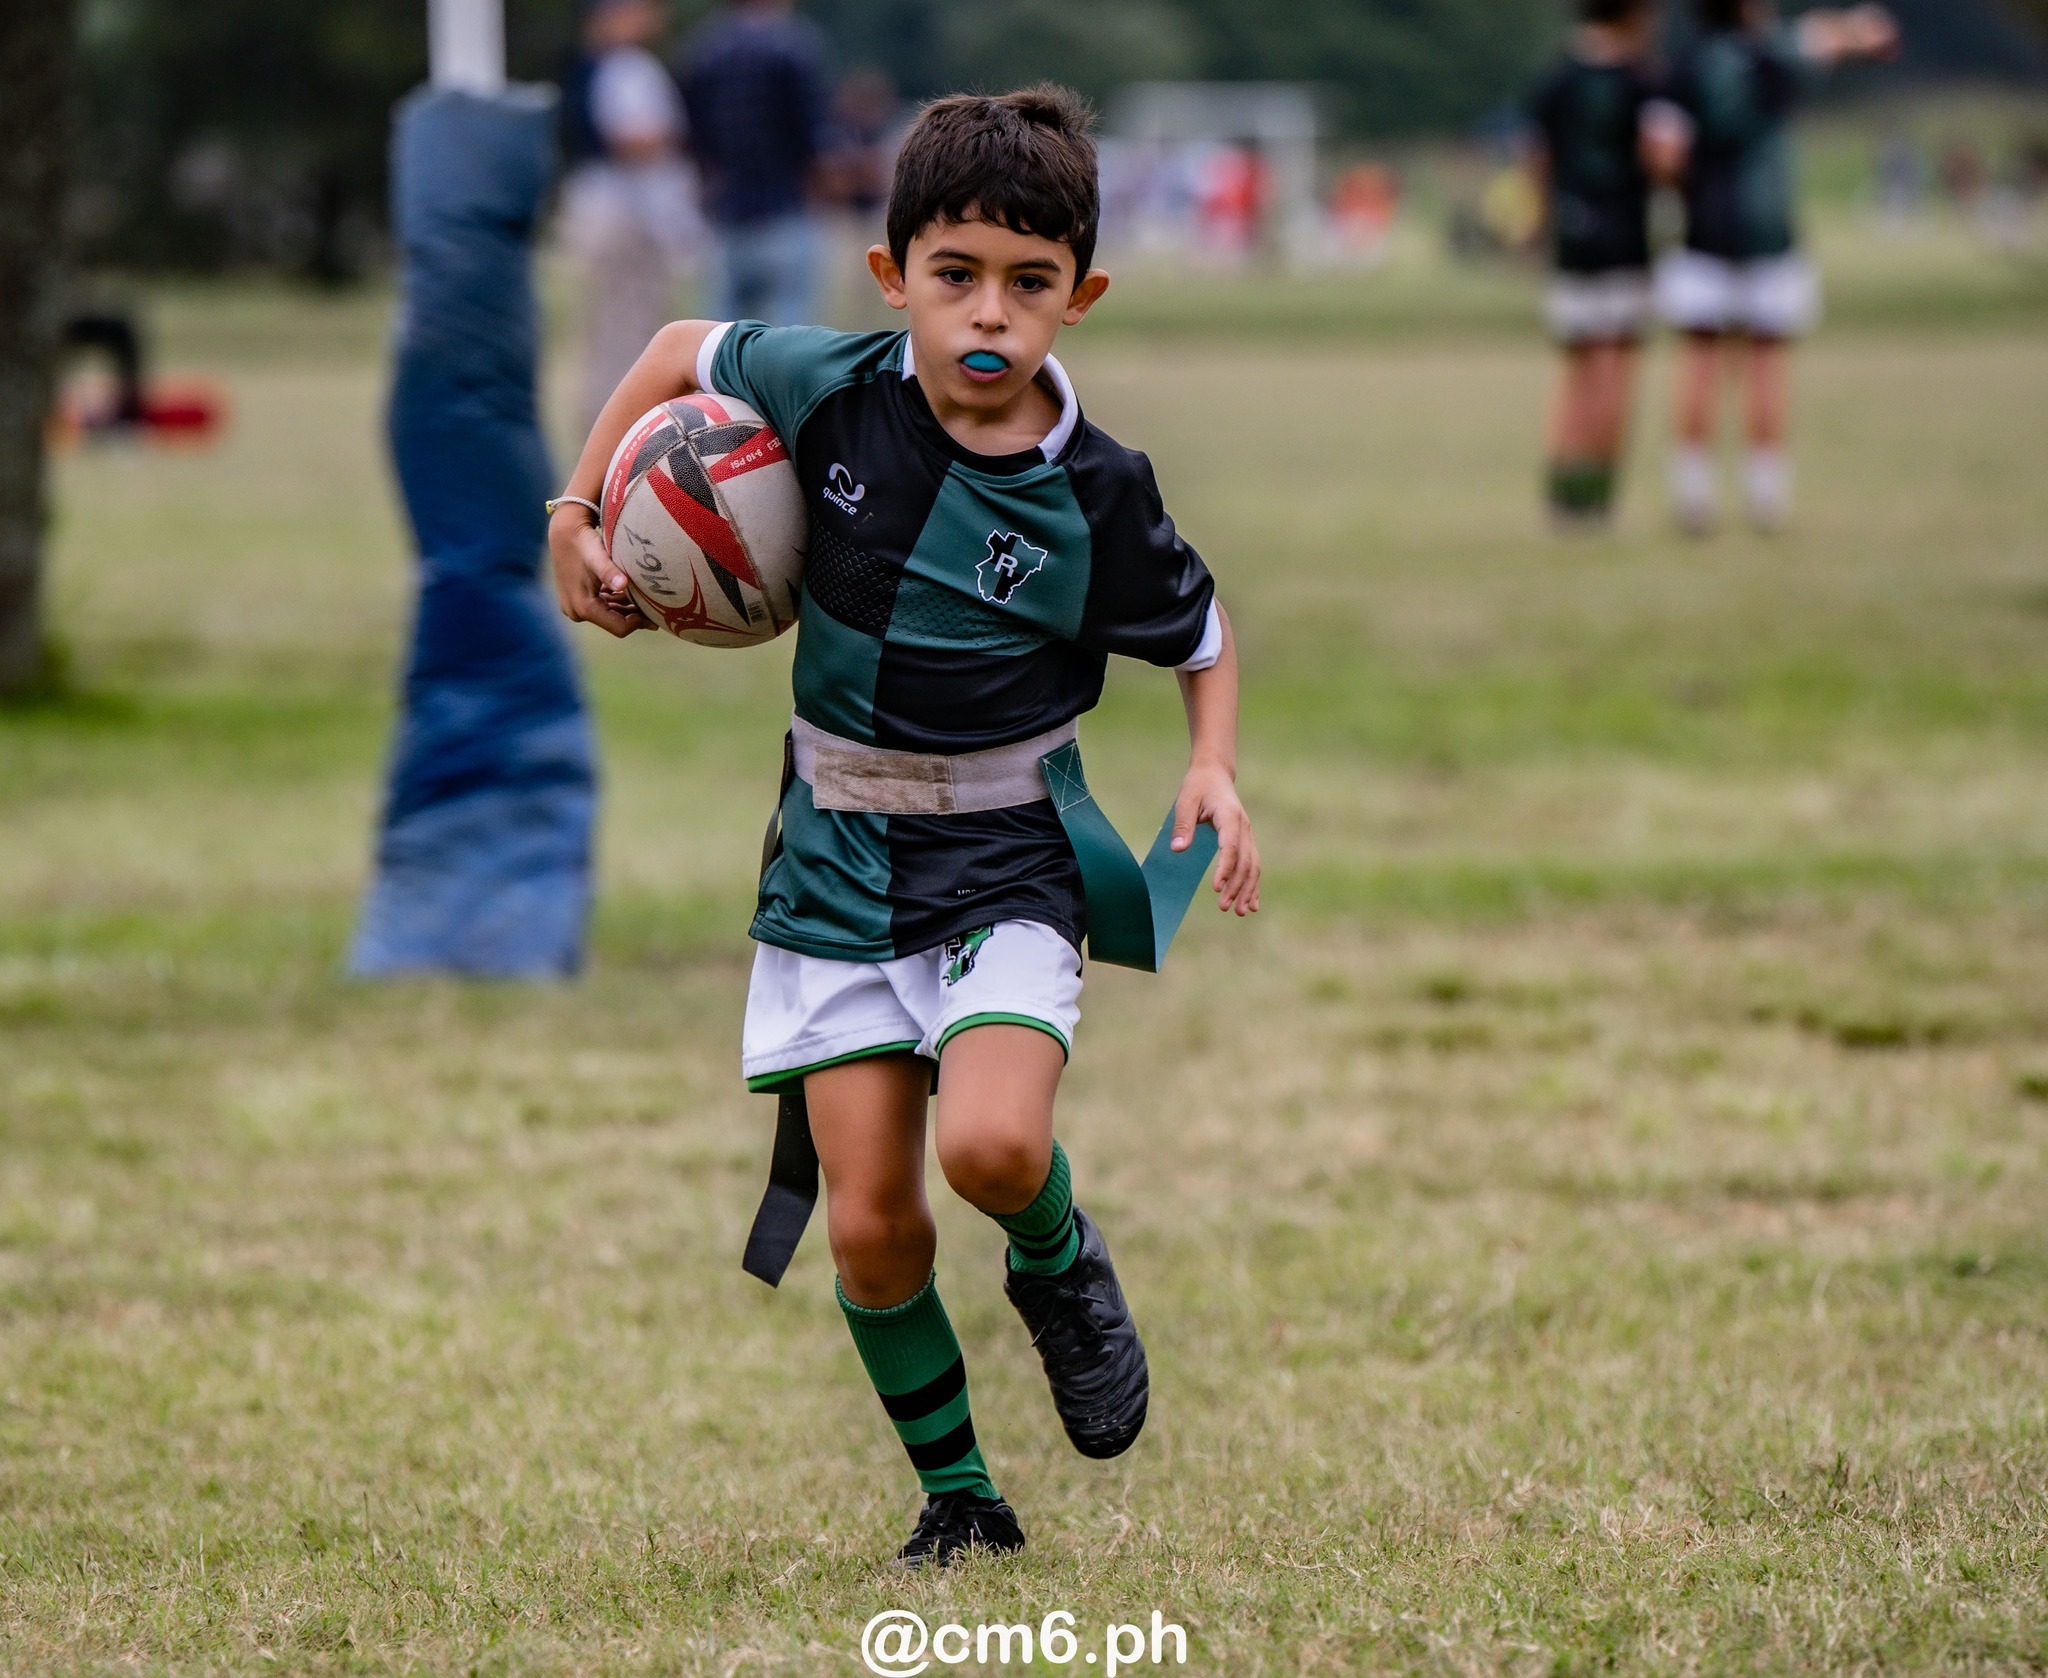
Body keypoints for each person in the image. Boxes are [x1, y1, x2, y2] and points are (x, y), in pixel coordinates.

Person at [547, 86, 1260, 1568]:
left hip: (1008, 856)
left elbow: (1199, 631)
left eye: (1028, 283)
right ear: (893, 277)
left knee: (994, 1148)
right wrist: (575, 509)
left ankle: (1059, 1262)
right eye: (955, 276)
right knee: (870, 1226)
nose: (986, 313)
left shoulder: (1095, 492)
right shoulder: (833, 387)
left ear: (1083, 294)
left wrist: (1213, 768)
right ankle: (961, 1498)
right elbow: (679, 349)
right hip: (832, 859)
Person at [1658, 0, 1899, 534]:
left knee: (1699, 363)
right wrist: (1866, 32)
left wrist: (1689, 189)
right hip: (1771, 232)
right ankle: (1765, 496)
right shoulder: (1777, 54)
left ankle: (1692, 495)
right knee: (1767, 366)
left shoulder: (1684, 66)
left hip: (1704, 231)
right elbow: (1846, 36)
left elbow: (1665, 158)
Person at [1526, 0, 1683, 528]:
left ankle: (1561, 493)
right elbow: (1663, 162)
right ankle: (1597, 497)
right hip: (1624, 238)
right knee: (1615, 367)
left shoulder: (1554, 80)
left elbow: (1537, 164)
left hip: (1571, 238)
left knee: (1575, 369)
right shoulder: (1645, 82)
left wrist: (1541, 226)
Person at [558, 0, 702, 431]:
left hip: (611, 209)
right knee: (627, 331)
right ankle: (620, 431)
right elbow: (629, 138)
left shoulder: (596, 67)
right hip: (623, 214)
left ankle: (618, 428)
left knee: (624, 328)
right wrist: (674, 137)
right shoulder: (622, 67)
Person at [677, 0, 833, 326]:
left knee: (722, 342)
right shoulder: (794, 46)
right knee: (785, 337)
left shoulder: (704, 51)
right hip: (785, 208)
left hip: (728, 212)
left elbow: (692, 138)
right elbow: (815, 140)